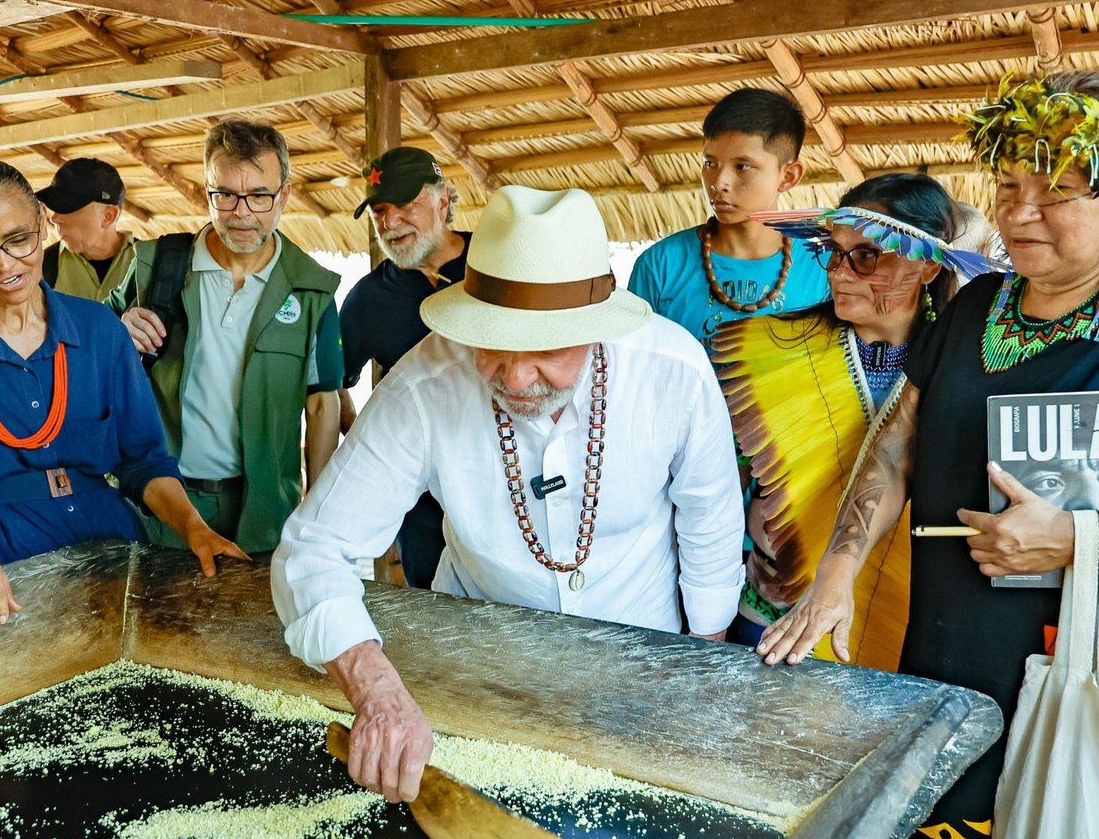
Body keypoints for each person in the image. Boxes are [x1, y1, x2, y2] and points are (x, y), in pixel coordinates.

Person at [758, 71, 1099, 839]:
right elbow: (901, 439)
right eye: (1010, 185)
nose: (1024, 210)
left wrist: (1083, 539)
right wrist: (837, 572)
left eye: (1062, 188)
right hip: (962, 667)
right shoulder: (975, 305)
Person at [272, 184, 745, 804]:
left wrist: (701, 666)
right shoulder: (424, 384)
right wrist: (378, 692)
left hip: (642, 664)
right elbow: (312, 552)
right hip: (475, 673)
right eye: (494, 345)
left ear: (596, 330)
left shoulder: (672, 370)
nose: (518, 379)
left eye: (547, 351)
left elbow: (709, 520)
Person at [714, 174, 1003, 839]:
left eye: (866, 257)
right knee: (786, 799)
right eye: (833, 254)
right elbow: (729, 482)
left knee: (900, 798)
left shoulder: (969, 358)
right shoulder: (767, 347)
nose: (840, 274)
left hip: (919, 614)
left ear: (923, 269)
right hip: (781, 610)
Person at [0, 159, 244, 634]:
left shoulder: (99, 330)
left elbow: (144, 460)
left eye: (18, 240)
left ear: (44, 227)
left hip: (112, 551)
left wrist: (194, 527)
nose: (5, 265)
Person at [107, 119, 344, 555]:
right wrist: (118, 332)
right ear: (206, 191)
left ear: (284, 195)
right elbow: (88, 359)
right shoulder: (152, 267)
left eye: (259, 196)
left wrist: (319, 508)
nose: (242, 213)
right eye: (226, 195)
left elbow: (322, 402)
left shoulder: (312, 290)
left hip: (267, 511)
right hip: (161, 507)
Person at [340, 145, 470, 589]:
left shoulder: (495, 263)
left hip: (507, 483)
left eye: (405, 205)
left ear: (443, 200)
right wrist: (374, 441)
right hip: (424, 509)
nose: (389, 223)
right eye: (379, 210)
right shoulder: (367, 300)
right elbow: (330, 381)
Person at [627, 88, 830, 340]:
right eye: (710, 163)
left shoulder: (826, 265)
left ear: (788, 176)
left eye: (742, 166)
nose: (719, 182)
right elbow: (634, 368)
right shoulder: (660, 265)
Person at [36, 157, 136, 303]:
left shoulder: (148, 266)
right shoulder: (43, 268)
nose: (55, 218)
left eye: (68, 208)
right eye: (55, 207)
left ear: (108, 216)